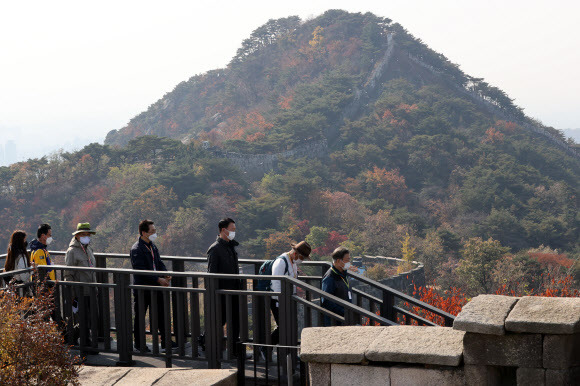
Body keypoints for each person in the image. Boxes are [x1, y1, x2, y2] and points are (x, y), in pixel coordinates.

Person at [130, 219, 176, 352]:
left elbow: (159, 263)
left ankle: (166, 342)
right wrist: (158, 279)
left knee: (161, 314)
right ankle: (139, 344)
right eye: (152, 231)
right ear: (144, 233)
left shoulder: (152, 246)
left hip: (155, 287)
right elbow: (141, 270)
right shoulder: (136, 249)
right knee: (140, 316)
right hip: (143, 288)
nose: (155, 233)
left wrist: (165, 274)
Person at [207, 218, 242, 346]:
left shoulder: (231, 246)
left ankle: (234, 349)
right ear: (223, 230)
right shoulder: (215, 249)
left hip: (233, 290)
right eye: (232, 229)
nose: (234, 232)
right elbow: (212, 273)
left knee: (235, 321)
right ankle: (207, 343)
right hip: (221, 292)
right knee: (219, 320)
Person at [269, 241, 311, 345]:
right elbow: (276, 284)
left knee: (290, 325)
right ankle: (266, 345)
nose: (302, 260)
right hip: (278, 300)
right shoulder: (281, 262)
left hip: (288, 299)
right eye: (302, 258)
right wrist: (281, 300)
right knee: (283, 326)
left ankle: (287, 352)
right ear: (296, 253)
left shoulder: (292, 262)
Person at [64, 223, 97, 349]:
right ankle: (85, 345)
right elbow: (69, 273)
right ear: (77, 236)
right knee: (82, 318)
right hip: (80, 291)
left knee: (91, 318)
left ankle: (73, 337)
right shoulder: (72, 251)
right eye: (84, 234)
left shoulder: (88, 249)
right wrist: (72, 293)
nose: (86, 237)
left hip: (91, 289)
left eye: (88, 234)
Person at [30, 223, 61, 325]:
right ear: (43, 236)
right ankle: (64, 337)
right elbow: (42, 271)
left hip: (47, 287)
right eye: (49, 235)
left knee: (51, 313)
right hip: (45, 288)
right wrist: (48, 286)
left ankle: (61, 335)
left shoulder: (42, 249)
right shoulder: (39, 251)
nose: (50, 237)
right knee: (50, 314)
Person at [321, 247, 353, 326]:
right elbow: (326, 300)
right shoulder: (330, 277)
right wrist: (343, 312)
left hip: (344, 317)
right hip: (335, 320)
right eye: (347, 260)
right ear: (338, 261)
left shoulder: (343, 273)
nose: (349, 262)